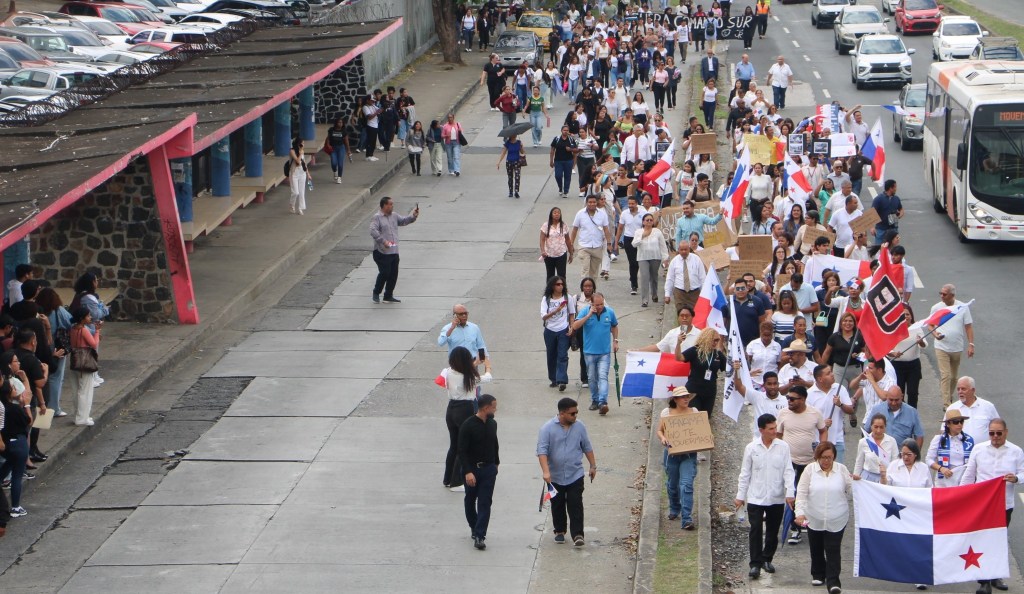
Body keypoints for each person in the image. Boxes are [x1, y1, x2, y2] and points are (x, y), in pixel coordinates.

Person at [960, 418, 1024, 594]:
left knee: (998, 541)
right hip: (982, 505)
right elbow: (969, 475)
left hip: (1004, 504)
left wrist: (1016, 478)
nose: (995, 436)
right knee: (983, 540)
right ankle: (984, 581)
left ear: (1006, 432)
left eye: (999, 433)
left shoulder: (1016, 452)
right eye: (992, 433)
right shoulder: (979, 449)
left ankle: (995, 575)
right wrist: (959, 497)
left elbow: (1023, 473)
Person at [736, 413, 795, 579]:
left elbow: (788, 471)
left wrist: (790, 493)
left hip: (775, 496)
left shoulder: (783, 447)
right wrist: (740, 496)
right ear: (761, 430)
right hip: (756, 496)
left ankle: (767, 558)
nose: (774, 431)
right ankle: (755, 563)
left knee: (772, 530)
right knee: (755, 530)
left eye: (775, 427)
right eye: (770, 429)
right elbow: (745, 473)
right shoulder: (751, 448)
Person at [537, 397, 597, 546]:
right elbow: (542, 451)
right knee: (557, 504)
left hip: (575, 474)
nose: (575, 416)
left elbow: (587, 447)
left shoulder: (580, 427)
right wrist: (546, 472)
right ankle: (559, 530)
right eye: (572, 413)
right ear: (562, 413)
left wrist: (593, 466)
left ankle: (577, 534)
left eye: (576, 413)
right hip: (555, 476)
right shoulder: (547, 429)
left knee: (575, 503)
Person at [794, 441, 852, 594]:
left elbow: (851, 490)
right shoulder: (809, 470)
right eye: (823, 458)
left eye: (830, 458)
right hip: (814, 516)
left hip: (837, 516)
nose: (826, 461)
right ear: (817, 457)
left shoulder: (842, 470)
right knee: (816, 546)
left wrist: (858, 483)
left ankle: (834, 582)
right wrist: (799, 513)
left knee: (833, 548)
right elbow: (801, 493)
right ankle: (818, 573)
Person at [777, 386, 827, 545]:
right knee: (792, 494)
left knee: (807, 494)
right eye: (788, 398)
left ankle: (807, 521)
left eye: (792, 399)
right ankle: (794, 528)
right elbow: (778, 435)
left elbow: (823, 430)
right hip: (789, 462)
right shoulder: (783, 414)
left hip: (810, 462)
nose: (789, 401)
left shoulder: (815, 413)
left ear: (803, 399)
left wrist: (822, 448)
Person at [438, 347, 486, 491]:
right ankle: (457, 482)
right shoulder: (469, 377)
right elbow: (486, 378)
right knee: (463, 447)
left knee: (454, 445)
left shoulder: (448, 372)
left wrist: (476, 363)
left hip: (451, 410)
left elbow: (464, 370)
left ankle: (447, 478)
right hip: (465, 410)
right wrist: (487, 367)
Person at [458, 394, 499, 551]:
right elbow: (461, 451)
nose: (496, 409)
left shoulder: (492, 424)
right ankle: (474, 526)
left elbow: (495, 444)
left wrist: (496, 463)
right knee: (470, 499)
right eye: (494, 406)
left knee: (485, 501)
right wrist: (468, 471)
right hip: (472, 470)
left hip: (488, 469)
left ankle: (480, 535)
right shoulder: (468, 425)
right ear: (485, 408)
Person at [659, 387, 701, 529]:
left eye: (687, 396)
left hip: (689, 454)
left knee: (686, 485)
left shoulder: (694, 412)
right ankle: (675, 507)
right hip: (672, 454)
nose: (685, 399)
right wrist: (663, 438)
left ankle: (687, 518)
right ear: (675, 400)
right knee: (673, 484)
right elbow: (660, 430)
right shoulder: (666, 413)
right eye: (682, 397)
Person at [571, 292, 618, 415]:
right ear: (591, 304)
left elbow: (614, 326)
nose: (600, 306)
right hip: (589, 352)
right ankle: (595, 400)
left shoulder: (610, 312)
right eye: (597, 305)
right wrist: (588, 315)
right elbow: (575, 326)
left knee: (603, 376)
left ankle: (603, 402)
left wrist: (615, 341)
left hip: (604, 352)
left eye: (601, 304)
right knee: (592, 378)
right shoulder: (585, 311)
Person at [928, 284, 975, 407]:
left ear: (952, 295)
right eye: (941, 293)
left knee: (954, 377)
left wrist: (971, 344)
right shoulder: (936, 307)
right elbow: (930, 324)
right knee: (946, 375)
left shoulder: (962, 307)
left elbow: (968, 327)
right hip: (941, 346)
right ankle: (946, 404)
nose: (941, 296)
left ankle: (948, 396)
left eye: (944, 294)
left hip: (956, 347)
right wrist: (935, 334)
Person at [369, 196, 419, 304]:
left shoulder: (394, 216)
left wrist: (413, 216)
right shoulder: (377, 217)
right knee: (385, 272)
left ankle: (388, 295)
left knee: (393, 274)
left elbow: (404, 221)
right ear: (384, 205)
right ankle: (376, 292)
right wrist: (383, 241)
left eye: (392, 204)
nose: (392, 206)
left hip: (393, 251)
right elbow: (373, 231)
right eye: (390, 204)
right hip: (381, 252)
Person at [806, 365, 854, 464]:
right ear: (820, 379)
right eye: (828, 373)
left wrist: (840, 404)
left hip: (837, 440)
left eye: (831, 372)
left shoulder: (840, 388)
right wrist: (822, 424)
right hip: (818, 443)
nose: (832, 374)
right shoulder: (809, 394)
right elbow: (807, 420)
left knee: (838, 473)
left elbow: (850, 410)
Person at [676, 328, 726, 414]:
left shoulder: (718, 355)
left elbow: (728, 369)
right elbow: (679, 358)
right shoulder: (695, 350)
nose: (715, 343)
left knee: (705, 418)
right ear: (706, 339)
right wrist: (678, 343)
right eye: (713, 340)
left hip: (709, 391)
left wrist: (740, 369)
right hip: (694, 390)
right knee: (694, 416)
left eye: (717, 340)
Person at [0, 378, 30, 518]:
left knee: (10, 462)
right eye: (13, 388)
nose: (15, 390)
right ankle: (16, 507)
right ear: (8, 392)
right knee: (17, 476)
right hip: (18, 443)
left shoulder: (2, 407)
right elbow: (28, 421)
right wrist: (26, 405)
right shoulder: (15, 409)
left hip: (5, 444)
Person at [542, 276, 576, 391]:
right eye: (558, 284)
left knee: (562, 355)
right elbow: (544, 316)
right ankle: (553, 379)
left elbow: (571, 314)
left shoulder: (568, 298)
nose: (560, 286)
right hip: (550, 330)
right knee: (551, 355)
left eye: (562, 284)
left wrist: (571, 327)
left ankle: (562, 380)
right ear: (552, 286)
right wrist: (556, 310)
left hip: (563, 329)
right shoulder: (546, 299)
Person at [438, 304, 492, 376]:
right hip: (456, 364)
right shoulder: (447, 328)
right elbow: (441, 343)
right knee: (458, 385)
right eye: (461, 314)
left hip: (472, 362)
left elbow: (481, 345)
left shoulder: (474, 327)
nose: (464, 316)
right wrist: (451, 328)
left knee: (475, 385)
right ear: (455, 316)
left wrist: (486, 363)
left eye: (465, 313)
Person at [926, 408, 974, 488]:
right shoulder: (939, 439)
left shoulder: (969, 440)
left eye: (961, 421)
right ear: (948, 424)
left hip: (963, 479)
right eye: (956, 422)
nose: (959, 424)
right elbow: (929, 459)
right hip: (945, 480)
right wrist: (941, 468)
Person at [888, 309, 926, 409]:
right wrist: (894, 353)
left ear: (911, 316)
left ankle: (913, 413)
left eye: (908, 314)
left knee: (913, 392)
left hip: (913, 365)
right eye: (903, 315)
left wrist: (920, 342)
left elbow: (924, 344)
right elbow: (887, 348)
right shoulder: (893, 329)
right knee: (899, 393)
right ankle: (900, 412)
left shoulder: (917, 328)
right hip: (897, 366)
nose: (906, 317)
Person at [68, 306, 100, 427]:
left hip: (74, 359)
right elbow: (94, 344)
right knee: (85, 390)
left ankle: (79, 415)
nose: (90, 317)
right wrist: (97, 331)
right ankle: (82, 418)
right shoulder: (84, 330)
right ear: (82, 318)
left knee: (76, 390)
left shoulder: (73, 329)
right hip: (85, 361)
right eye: (88, 315)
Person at [570, 195, 613, 281]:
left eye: (594, 202)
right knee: (585, 270)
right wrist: (571, 244)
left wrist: (609, 244)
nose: (592, 204)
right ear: (586, 203)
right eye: (590, 202)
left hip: (597, 246)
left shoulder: (602, 214)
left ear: (597, 202)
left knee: (594, 272)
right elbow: (574, 229)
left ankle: (593, 292)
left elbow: (606, 229)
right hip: (584, 246)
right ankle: (584, 292)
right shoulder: (580, 213)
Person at [632, 213, 669, 308]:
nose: (649, 222)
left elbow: (662, 246)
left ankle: (654, 294)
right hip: (642, 258)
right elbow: (634, 244)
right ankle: (644, 300)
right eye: (647, 220)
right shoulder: (638, 232)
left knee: (654, 277)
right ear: (643, 222)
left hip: (655, 257)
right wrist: (643, 236)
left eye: (651, 220)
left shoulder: (657, 232)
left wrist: (665, 258)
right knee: (644, 277)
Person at [852, 413, 899, 482]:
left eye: (881, 427)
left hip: (886, 478)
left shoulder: (892, 441)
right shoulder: (863, 442)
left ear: (885, 427)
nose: (878, 430)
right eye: (876, 427)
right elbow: (859, 462)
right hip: (867, 478)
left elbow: (895, 462)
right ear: (871, 427)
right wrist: (855, 479)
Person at [664, 242, 705, 315]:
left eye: (685, 249)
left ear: (689, 249)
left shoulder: (696, 259)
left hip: (694, 293)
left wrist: (704, 293)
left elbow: (702, 278)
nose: (684, 251)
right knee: (682, 315)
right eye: (681, 250)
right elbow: (670, 278)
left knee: (695, 315)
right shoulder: (674, 261)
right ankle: (683, 327)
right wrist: (667, 294)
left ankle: (692, 327)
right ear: (678, 250)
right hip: (680, 293)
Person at [746, 321, 781, 389]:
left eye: (769, 335)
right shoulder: (752, 344)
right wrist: (749, 373)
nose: (766, 338)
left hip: (771, 382)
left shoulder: (777, 346)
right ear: (760, 333)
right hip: (756, 380)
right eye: (764, 335)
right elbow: (747, 362)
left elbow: (779, 364)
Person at [540, 207, 573, 281]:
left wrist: (571, 253)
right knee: (550, 275)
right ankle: (549, 292)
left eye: (558, 213)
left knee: (561, 275)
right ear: (551, 214)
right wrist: (543, 251)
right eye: (554, 213)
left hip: (561, 254)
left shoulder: (563, 225)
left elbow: (568, 240)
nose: (557, 214)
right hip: (549, 255)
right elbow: (542, 239)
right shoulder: (545, 225)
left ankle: (563, 291)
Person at [871, 179, 903, 244]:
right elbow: (872, 213)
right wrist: (872, 227)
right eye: (895, 187)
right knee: (879, 249)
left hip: (893, 229)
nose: (896, 189)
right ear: (890, 188)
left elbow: (901, 209)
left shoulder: (896, 199)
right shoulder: (879, 199)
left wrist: (899, 215)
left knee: (893, 250)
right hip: (881, 229)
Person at [550, 125, 578, 198]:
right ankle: (560, 187)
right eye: (564, 130)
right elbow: (552, 149)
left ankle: (566, 191)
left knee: (567, 176)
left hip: (568, 160)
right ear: (561, 131)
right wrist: (551, 160)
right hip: (558, 161)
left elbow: (576, 150)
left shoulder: (571, 139)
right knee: (558, 176)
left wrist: (571, 150)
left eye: (567, 130)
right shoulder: (557, 139)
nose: (565, 132)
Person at [496, 133, 525, 199]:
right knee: (510, 177)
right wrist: (499, 162)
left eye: (515, 134)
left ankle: (516, 192)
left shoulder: (519, 142)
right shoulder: (507, 143)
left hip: (517, 162)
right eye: (513, 134)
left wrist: (522, 147)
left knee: (517, 177)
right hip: (509, 162)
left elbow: (523, 152)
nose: (515, 135)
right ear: (510, 136)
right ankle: (510, 192)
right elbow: (503, 153)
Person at [327, 117, 353, 184]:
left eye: (341, 122)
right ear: (336, 123)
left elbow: (346, 141)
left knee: (340, 164)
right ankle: (335, 171)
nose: (340, 124)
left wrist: (348, 150)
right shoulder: (331, 130)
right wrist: (328, 144)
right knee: (333, 163)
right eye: (339, 122)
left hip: (341, 148)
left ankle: (339, 177)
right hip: (333, 148)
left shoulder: (343, 131)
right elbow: (328, 138)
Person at [287, 138, 308, 215]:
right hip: (294, 173)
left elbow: (304, 163)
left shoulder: (302, 151)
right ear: (298, 144)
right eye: (301, 144)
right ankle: (292, 204)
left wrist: (308, 174)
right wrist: (301, 153)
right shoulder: (292, 151)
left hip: (302, 173)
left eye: (303, 144)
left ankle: (300, 208)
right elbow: (298, 162)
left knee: (302, 191)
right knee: (295, 192)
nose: (303, 145)